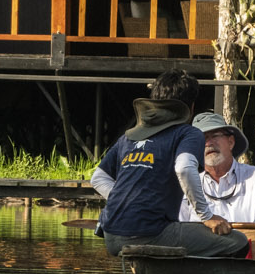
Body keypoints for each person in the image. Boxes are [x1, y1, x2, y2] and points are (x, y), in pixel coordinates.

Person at [90, 72, 246, 259]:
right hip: (150, 234)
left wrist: (127, 200)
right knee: (237, 242)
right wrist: (207, 216)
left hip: (111, 235)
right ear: (191, 106)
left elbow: (97, 178)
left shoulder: (128, 137)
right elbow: (184, 168)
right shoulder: (187, 133)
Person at [184, 114, 255, 227]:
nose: (208, 143)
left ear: (231, 142)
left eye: (214, 136)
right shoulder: (186, 187)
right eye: (202, 139)